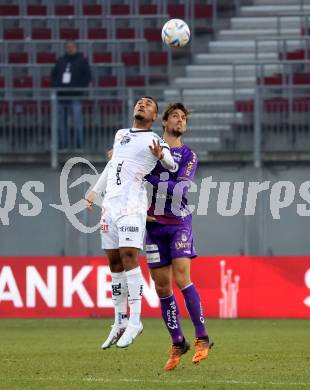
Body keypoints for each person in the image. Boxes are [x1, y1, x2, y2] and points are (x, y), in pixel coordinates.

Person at [85, 96, 176, 349]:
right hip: (110, 205)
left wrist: (162, 157)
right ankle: (119, 320)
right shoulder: (121, 134)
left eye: (148, 104)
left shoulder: (154, 140)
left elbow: (172, 162)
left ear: (155, 117)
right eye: (139, 102)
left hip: (132, 206)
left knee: (128, 257)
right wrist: (95, 191)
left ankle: (136, 319)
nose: (142, 104)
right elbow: (113, 164)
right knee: (114, 262)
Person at [145, 103, 213, 371]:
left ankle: (203, 337)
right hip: (152, 226)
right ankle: (178, 341)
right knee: (162, 288)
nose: (180, 120)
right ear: (164, 121)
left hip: (178, 223)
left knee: (183, 278)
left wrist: (148, 178)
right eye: (175, 116)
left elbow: (180, 188)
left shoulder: (188, 155)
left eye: (184, 118)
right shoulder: (149, 147)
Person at [51, 40, 91, 149]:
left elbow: (87, 76)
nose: (70, 48)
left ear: (76, 48)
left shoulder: (82, 60)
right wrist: (57, 87)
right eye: (68, 47)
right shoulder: (61, 60)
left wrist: (79, 87)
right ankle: (63, 145)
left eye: (72, 46)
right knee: (61, 123)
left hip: (75, 95)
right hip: (62, 95)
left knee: (77, 121)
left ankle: (79, 145)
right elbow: (53, 75)